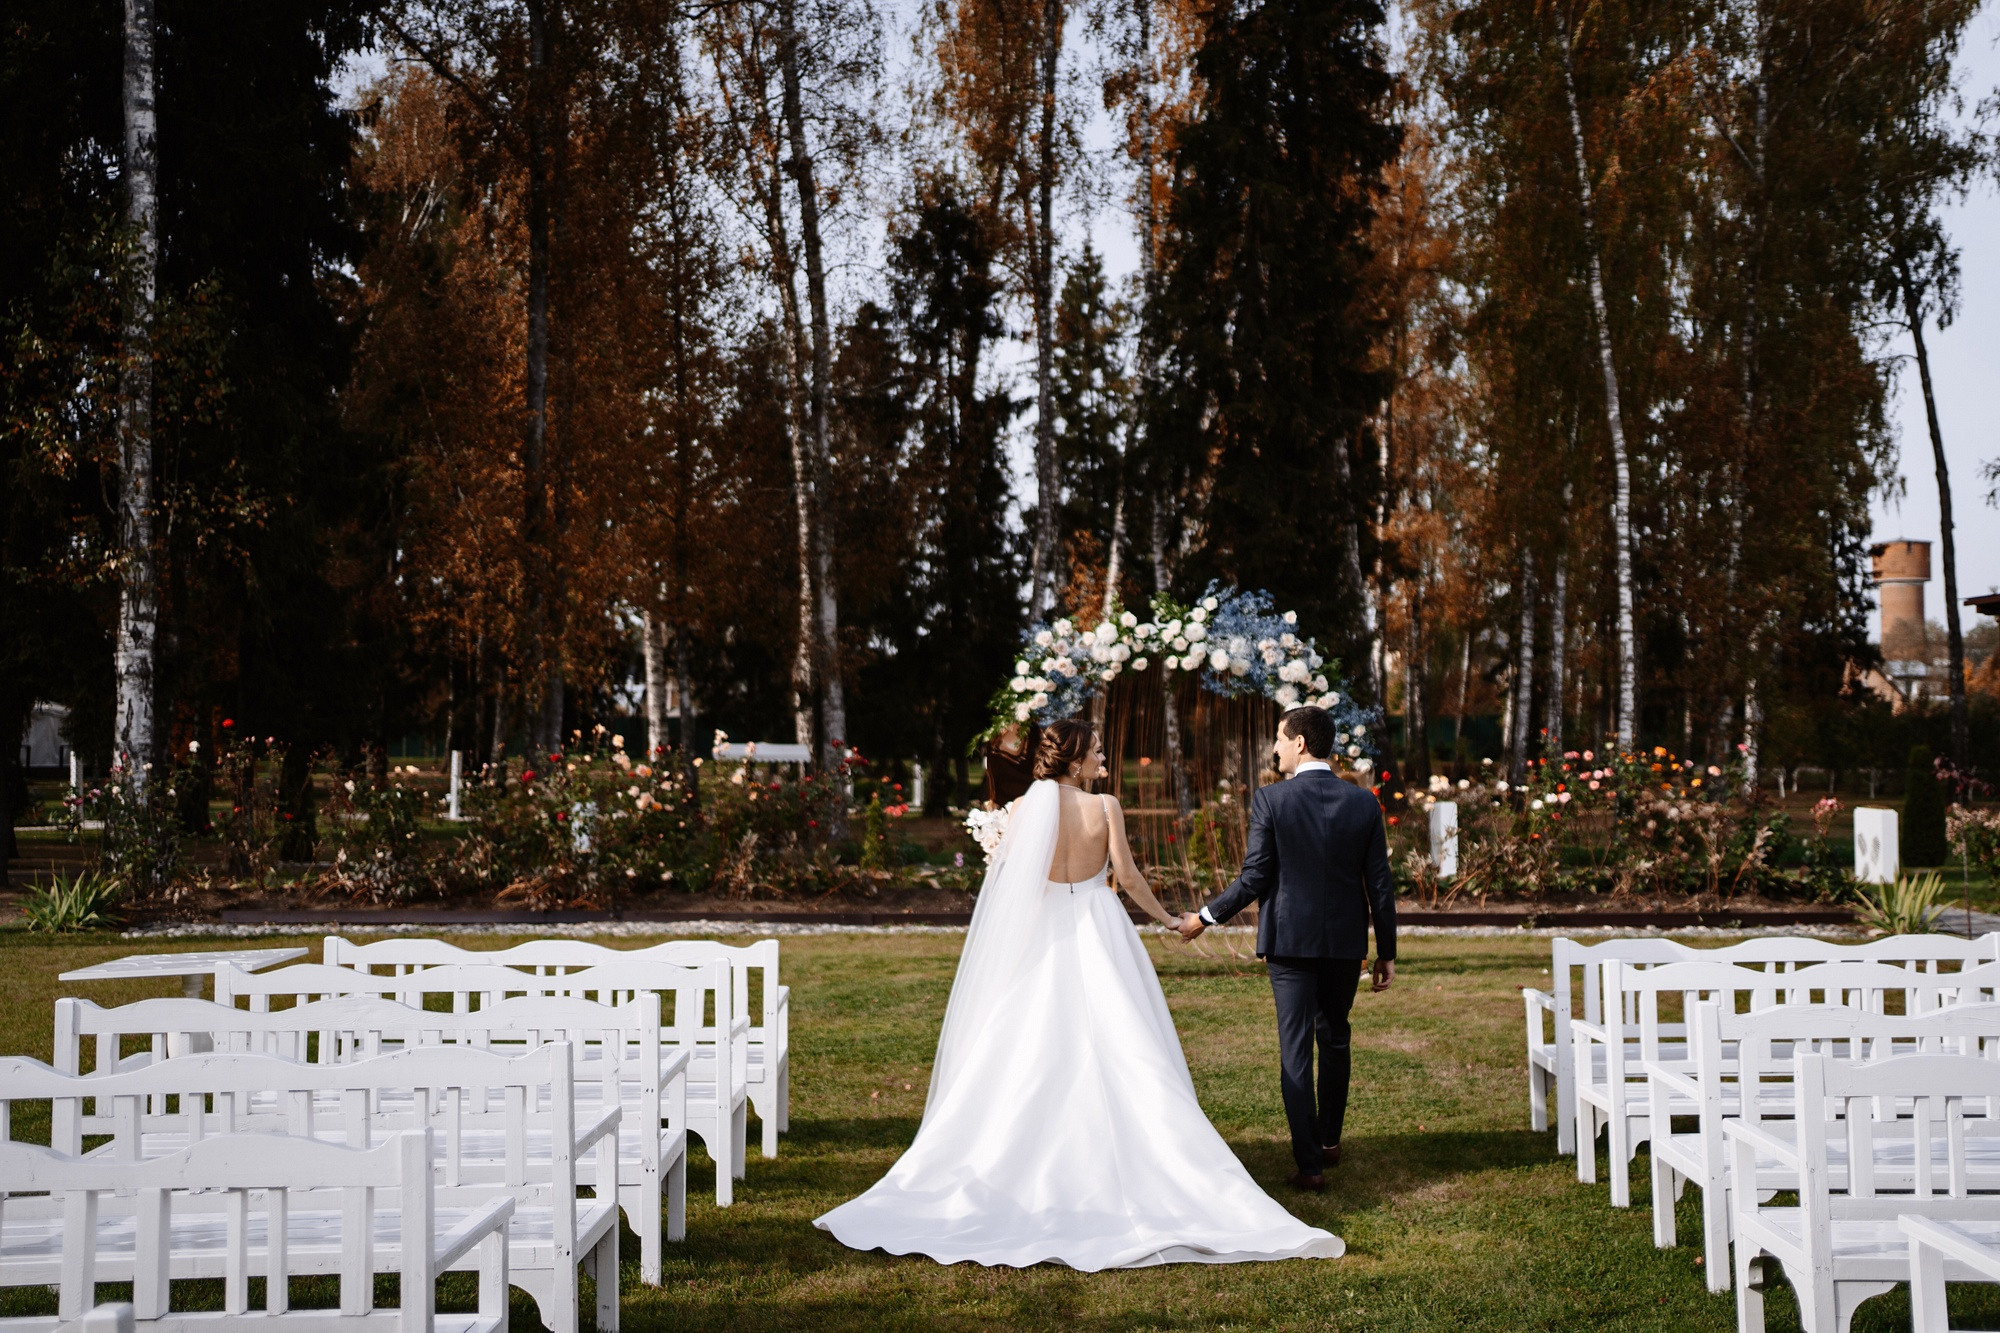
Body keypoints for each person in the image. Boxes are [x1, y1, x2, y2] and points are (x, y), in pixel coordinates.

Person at [815, 717, 1344, 1269]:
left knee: (1027, 1043)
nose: (1104, 763)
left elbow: (1008, 879)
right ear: (1073, 761)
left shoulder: (1022, 810)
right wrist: (1168, 919)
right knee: (1123, 1039)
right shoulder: (1104, 808)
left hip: (1041, 931)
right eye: (1095, 754)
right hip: (1097, 925)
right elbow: (1130, 878)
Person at [1176, 705, 1396, 1192]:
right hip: (1343, 944)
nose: (1274, 747)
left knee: (1295, 1049)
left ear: (1300, 743)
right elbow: (1379, 884)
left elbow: (1255, 877)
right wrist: (1387, 950)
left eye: (1279, 738)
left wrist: (1204, 918)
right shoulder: (1364, 803)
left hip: (1290, 945)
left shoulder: (1271, 800)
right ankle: (1330, 1141)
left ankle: (1310, 1165)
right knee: (1335, 1036)